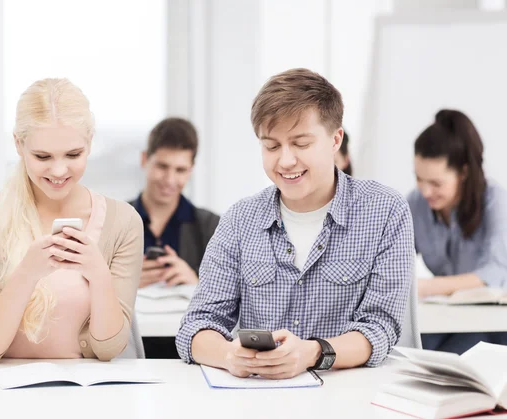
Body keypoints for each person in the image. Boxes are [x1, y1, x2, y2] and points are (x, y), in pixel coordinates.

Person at [176, 68, 414, 378]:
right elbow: (195, 327)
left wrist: (312, 353)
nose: (285, 161)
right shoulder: (239, 220)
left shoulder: (385, 211)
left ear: (335, 140)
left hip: (349, 398)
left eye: (301, 144)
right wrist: (228, 354)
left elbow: (380, 329)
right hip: (259, 398)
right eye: (271, 146)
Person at [0, 78, 143, 364]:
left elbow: (108, 349)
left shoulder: (124, 222)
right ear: (18, 144)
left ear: (89, 143)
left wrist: (98, 275)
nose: (58, 170)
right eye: (42, 156)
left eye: (73, 154)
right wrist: (27, 273)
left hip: (88, 396)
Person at [408, 109, 507, 354]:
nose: (425, 191)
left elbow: (493, 273)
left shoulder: (494, 199)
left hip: (494, 320)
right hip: (447, 315)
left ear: (463, 173)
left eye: (436, 183)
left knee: (448, 358)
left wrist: (420, 287)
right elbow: (393, 256)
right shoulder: (416, 203)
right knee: (411, 351)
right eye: (419, 179)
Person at [129, 117, 219, 358]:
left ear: (191, 170)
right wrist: (124, 284)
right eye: (162, 166)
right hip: (127, 352)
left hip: (188, 354)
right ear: (144, 160)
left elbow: (231, 302)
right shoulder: (116, 220)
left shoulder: (212, 227)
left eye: (180, 170)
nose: (169, 180)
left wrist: (194, 283)